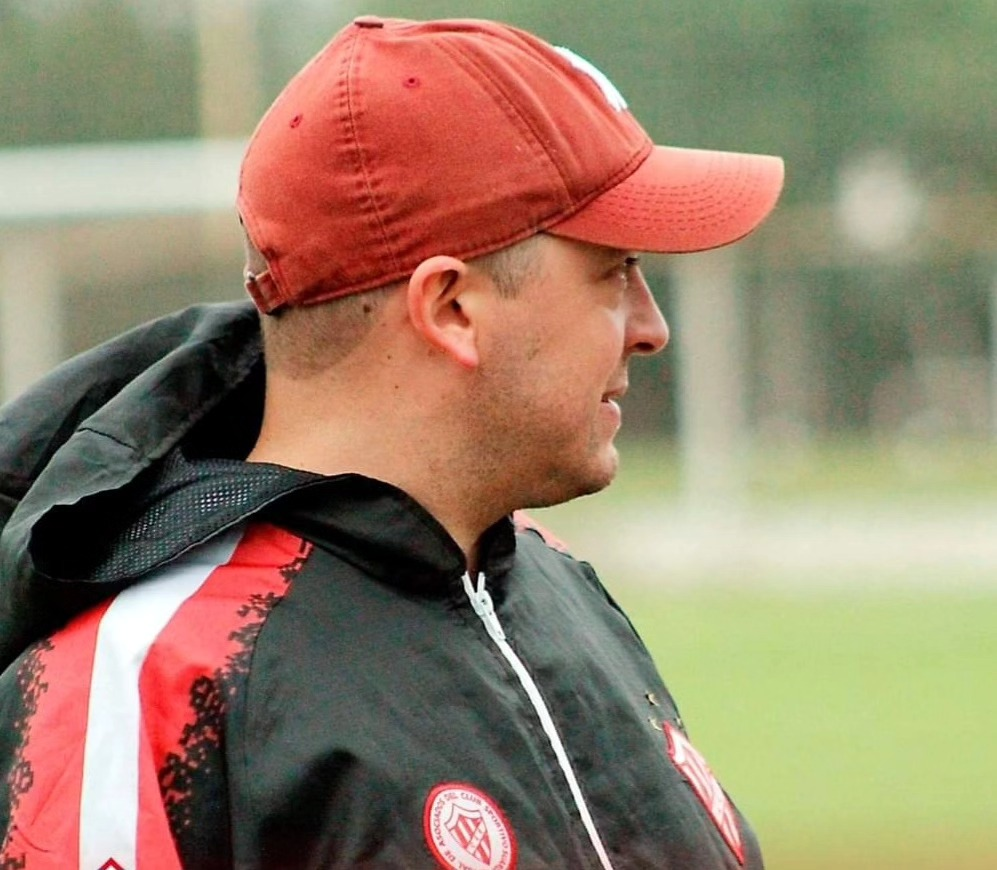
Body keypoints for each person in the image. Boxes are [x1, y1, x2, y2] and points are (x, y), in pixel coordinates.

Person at [0, 16, 783, 870]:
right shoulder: (146, 681)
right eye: (611, 272)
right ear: (450, 308)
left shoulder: (555, 582)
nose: (651, 328)